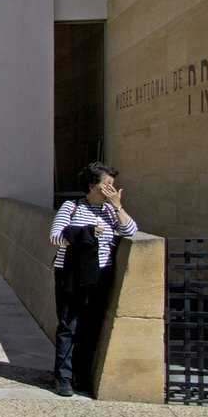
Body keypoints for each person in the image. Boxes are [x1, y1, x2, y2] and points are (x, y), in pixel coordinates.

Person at [49, 161, 137, 397]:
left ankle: (81, 374)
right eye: (107, 184)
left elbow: (131, 231)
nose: (112, 189)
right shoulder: (71, 207)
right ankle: (63, 377)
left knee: (90, 326)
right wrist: (86, 232)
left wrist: (118, 206)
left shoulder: (110, 210)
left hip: (100, 275)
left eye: (113, 185)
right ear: (92, 185)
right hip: (71, 275)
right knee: (68, 324)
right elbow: (56, 237)